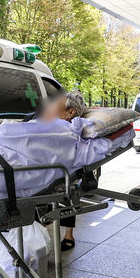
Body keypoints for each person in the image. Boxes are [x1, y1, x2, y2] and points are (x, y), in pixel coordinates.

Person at [31, 91, 87, 250]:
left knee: (68, 190)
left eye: (55, 105)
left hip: (55, 169)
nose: (50, 107)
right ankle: (35, 237)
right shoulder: (39, 118)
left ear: (70, 112)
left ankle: (68, 235)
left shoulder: (65, 130)